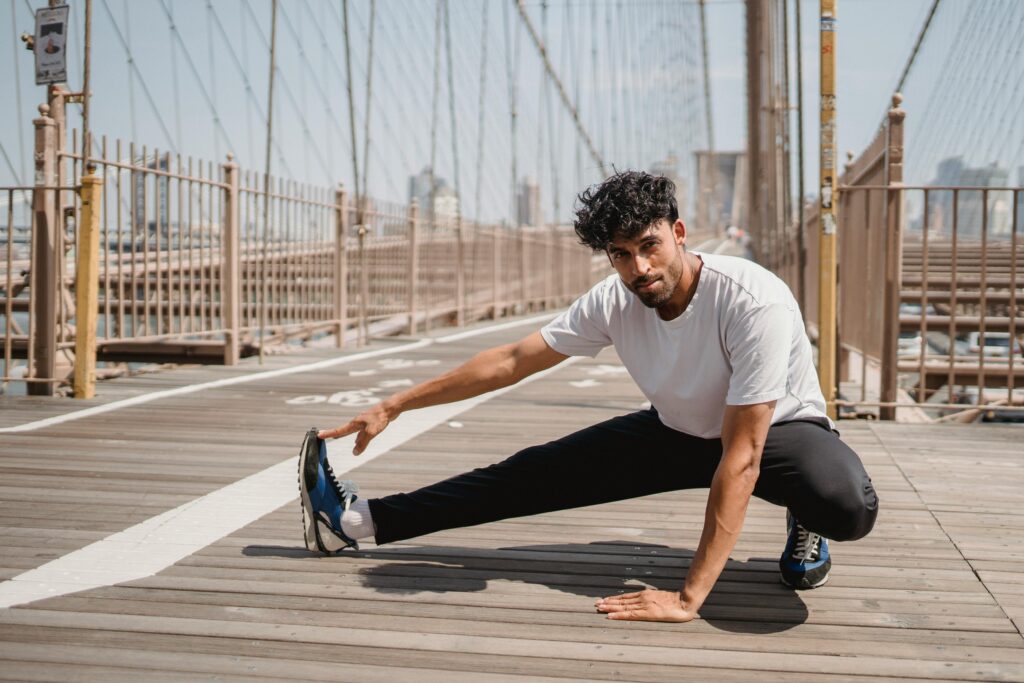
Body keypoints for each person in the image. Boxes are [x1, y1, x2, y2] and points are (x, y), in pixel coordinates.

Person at [298, 171, 878, 624]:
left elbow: (744, 455)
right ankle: (353, 521)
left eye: (650, 246)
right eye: (621, 255)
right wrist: (396, 404)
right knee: (524, 475)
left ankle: (807, 519)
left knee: (846, 503)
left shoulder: (753, 301)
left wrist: (687, 597)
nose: (639, 268)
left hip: (777, 436)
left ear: (679, 233)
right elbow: (511, 360)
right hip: (677, 430)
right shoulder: (615, 298)